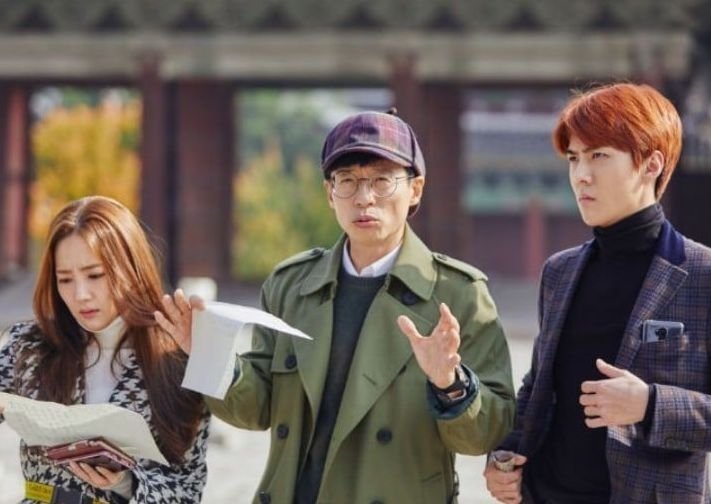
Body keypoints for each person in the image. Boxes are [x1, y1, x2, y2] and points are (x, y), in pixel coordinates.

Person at [156, 109, 516, 503]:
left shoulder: (458, 294)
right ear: (330, 193)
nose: (364, 198)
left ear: (415, 189)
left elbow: (489, 432)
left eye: (382, 180)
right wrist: (208, 352)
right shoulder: (291, 286)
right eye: (347, 181)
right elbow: (257, 409)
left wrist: (450, 384)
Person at [483, 82, 711, 504]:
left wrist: (651, 405)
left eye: (599, 156)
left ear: (651, 164)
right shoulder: (559, 272)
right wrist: (506, 455)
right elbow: (539, 388)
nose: (581, 175)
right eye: (574, 158)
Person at [0, 195, 210, 503]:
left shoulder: (176, 358)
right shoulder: (33, 347)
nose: (80, 294)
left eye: (94, 275)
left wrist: (126, 484)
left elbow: (188, 491)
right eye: (65, 279)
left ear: (131, 268)